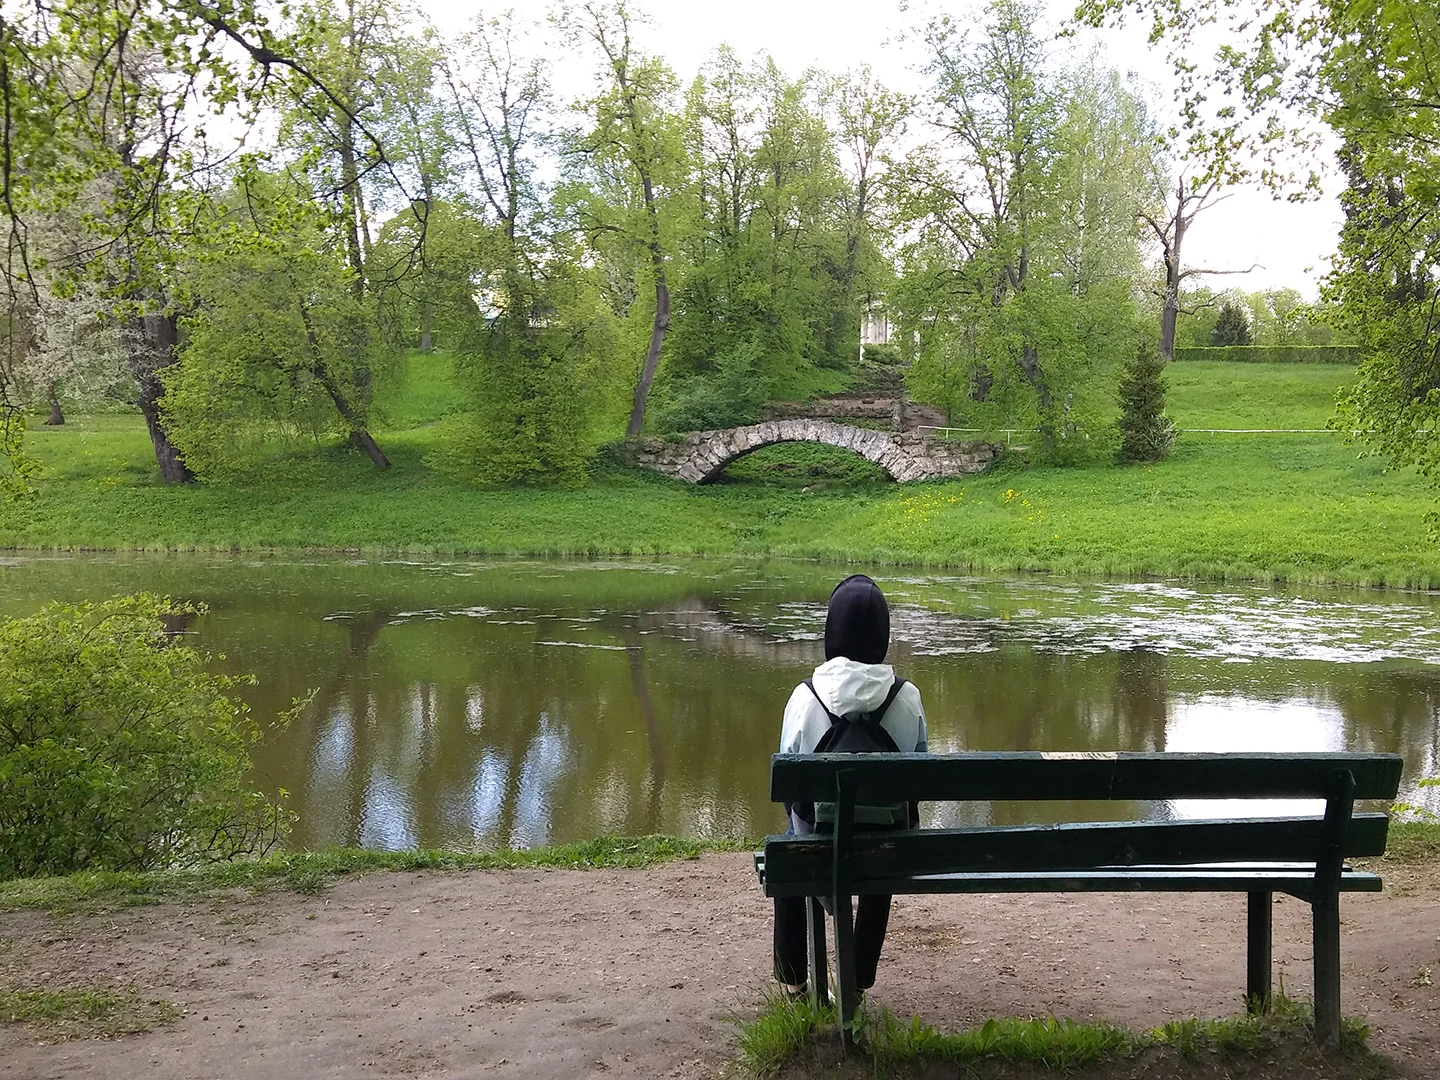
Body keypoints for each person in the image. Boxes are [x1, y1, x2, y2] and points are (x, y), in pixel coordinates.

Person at [773, 573, 927, 997]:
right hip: (887, 848)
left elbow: (787, 783)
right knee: (885, 839)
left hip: (816, 845)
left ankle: (794, 981)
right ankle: (855, 981)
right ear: (883, 633)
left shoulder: (804, 697)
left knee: (790, 846)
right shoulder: (907, 696)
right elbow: (920, 777)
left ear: (831, 631)